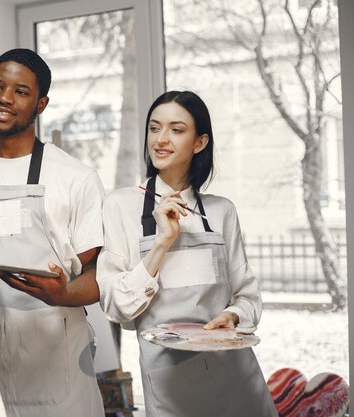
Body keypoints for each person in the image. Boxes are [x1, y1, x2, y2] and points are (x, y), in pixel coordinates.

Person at [0, 48, 105, 417]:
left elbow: (99, 277)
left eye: (20, 91)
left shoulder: (76, 179)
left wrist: (63, 293)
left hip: (57, 376)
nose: (4, 98)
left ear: (41, 104)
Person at [96, 90, 278, 416]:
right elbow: (117, 307)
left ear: (199, 143)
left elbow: (247, 295)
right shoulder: (120, 206)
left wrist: (232, 316)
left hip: (236, 376)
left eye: (176, 130)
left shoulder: (222, 211)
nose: (161, 139)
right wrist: (162, 243)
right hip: (170, 385)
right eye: (154, 128)